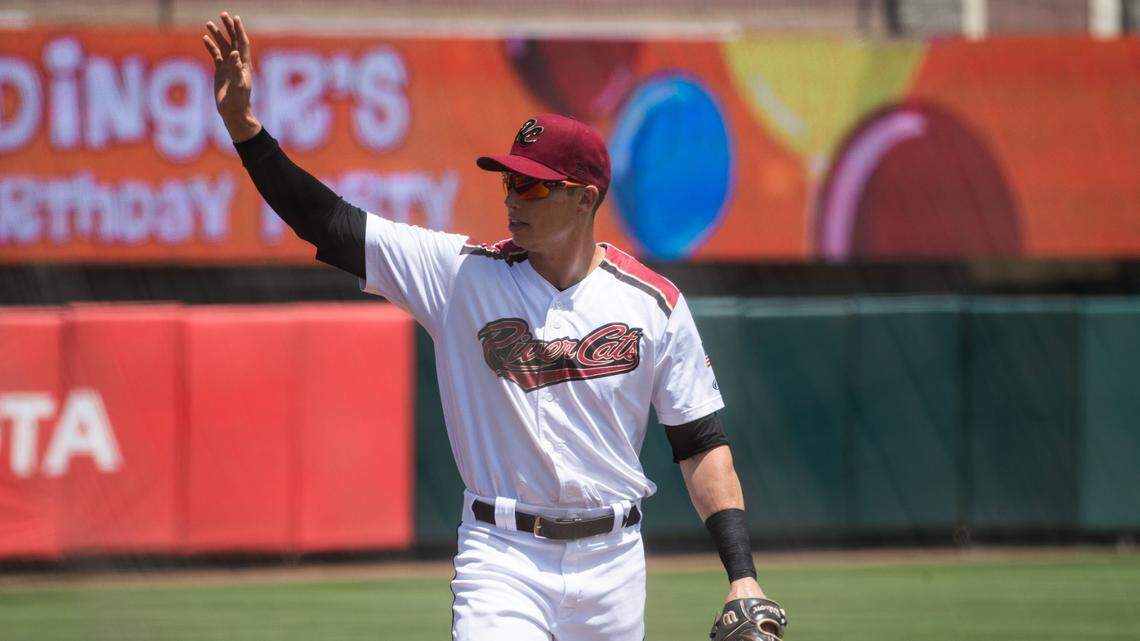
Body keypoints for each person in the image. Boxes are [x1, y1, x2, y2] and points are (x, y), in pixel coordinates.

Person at [203, 12, 785, 641]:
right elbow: (330, 223)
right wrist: (245, 129)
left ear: (584, 198)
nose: (511, 196)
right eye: (510, 179)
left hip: (613, 565)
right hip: (504, 556)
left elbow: (700, 444)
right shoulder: (460, 276)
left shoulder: (654, 303)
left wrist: (742, 575)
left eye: (533, 186)